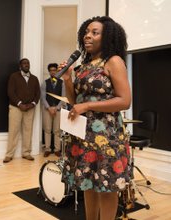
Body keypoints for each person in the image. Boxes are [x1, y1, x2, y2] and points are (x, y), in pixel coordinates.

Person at [60, 16, 131, 220]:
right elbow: (75, 103)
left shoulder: (113, 61)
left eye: (94, 32)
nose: (87, 36)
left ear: (107, 37)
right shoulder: (85, 65)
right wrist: (67, 80)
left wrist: (88, 105)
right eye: (86, 32)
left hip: (106, 137)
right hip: (83, 134)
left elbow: (125, 101)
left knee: (107, 186)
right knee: (88, 183)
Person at [3, 58, 40, 163]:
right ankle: (9, 155)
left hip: (30, 108)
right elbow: (10, 92)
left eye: (28, 63)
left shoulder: (34, 78)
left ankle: (26, 153)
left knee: (28, 131)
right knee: (13, 131)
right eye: (24, 63)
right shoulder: (14, 76)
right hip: (16, 108)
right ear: (20, 66)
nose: (26, 65)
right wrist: (19, 104)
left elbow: (38, 94)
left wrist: (32, 104)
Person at [41, 63, 66, 157]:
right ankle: (47, 149)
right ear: (49, 71)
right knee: (47, 129)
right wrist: (49, 108)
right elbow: (43, 98)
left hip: (58, 110)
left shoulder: (62, 82)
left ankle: (57, 149)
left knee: (57, 130)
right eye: (51, 70)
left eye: (54, 70)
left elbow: (63, 97)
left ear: (57, 71)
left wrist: (57, 108)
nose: (53, 72)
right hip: (47, 110)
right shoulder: (45, 82)